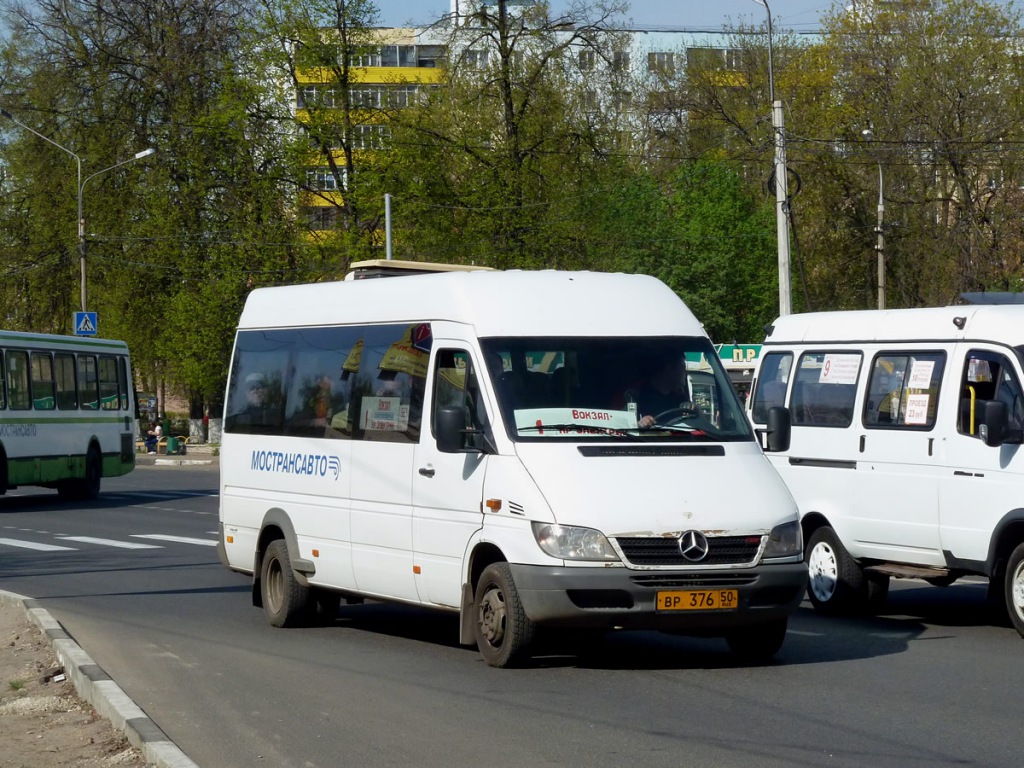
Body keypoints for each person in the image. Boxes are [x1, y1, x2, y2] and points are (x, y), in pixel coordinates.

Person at [627, 356, 692, 428]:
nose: (685, 374)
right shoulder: (636, 397)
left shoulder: (680, 398)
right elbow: (626, 426)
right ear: (669, 369)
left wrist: (692, 408)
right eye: (683, 368)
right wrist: (640, 423)